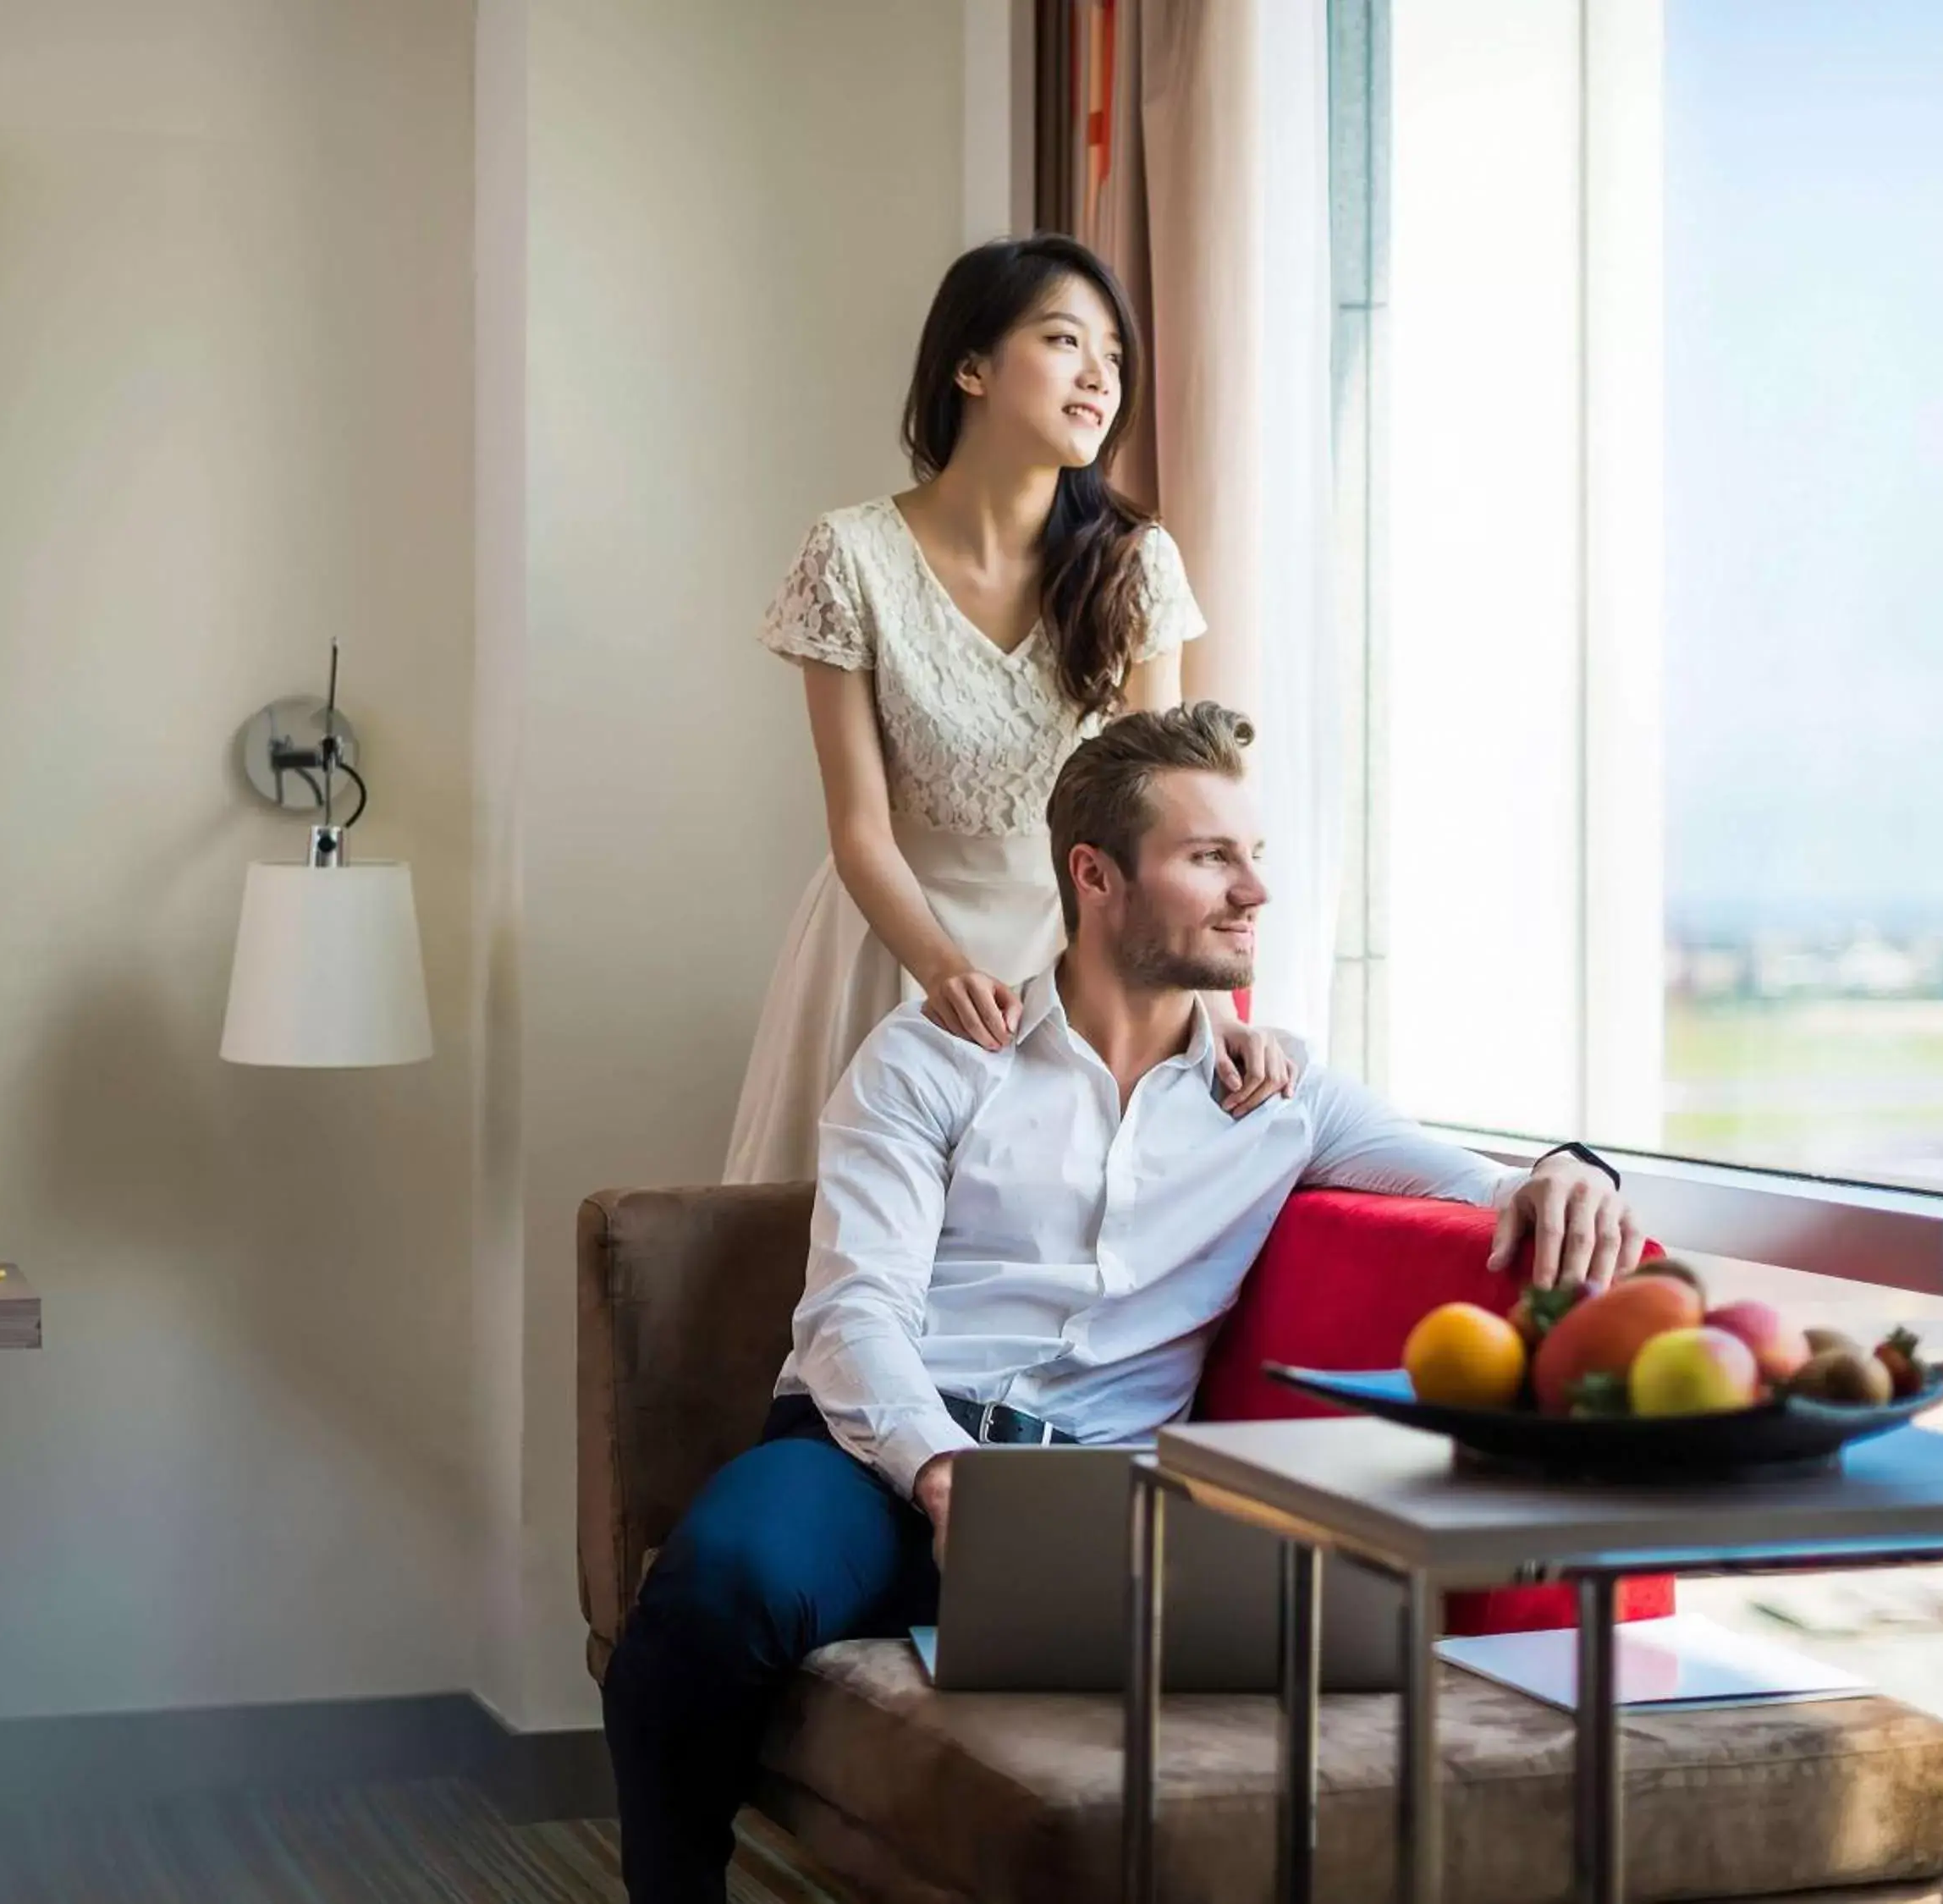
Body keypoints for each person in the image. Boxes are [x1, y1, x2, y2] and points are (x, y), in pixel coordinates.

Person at [608, 705, 1649, 1903]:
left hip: (1113, 1483)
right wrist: (948, 1474)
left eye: (1256, 856)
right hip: (872, 1457)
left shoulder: (1282, 1094)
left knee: (1339, 1632)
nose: (1254, 888)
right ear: (1094, 876)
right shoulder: (934, 1056)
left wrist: (1577, 1169)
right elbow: (852, 1317)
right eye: (1211, 857)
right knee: (715, 1587)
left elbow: (1482, 1186)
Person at [724, 234, 1297, 1185]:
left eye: (1114, 356)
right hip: (888, 949)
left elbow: (1164, 836)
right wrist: (942, 971)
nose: (1100, 376)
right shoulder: (850, 556)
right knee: (855, 1257)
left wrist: (1202, 1016)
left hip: (1075, 955)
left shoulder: (1135, 562)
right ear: (970, 367)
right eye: (1065, 341)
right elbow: (859, 829)